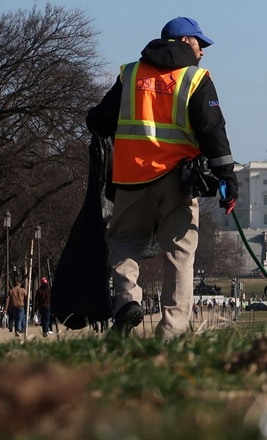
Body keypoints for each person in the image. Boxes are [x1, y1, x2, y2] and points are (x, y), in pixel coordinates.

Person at [87, 17, 238, 338]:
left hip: (131, 179)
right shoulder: (195, 79)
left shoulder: (130, 74)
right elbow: (213, 131)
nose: (203, 51)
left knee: (125, 242)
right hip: (177, 181)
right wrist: (227, 177)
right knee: (179, 254)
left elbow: (100, 120)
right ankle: (172, 330)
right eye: (200, 43)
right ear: (185, 42)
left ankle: (127, 299)